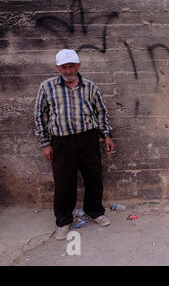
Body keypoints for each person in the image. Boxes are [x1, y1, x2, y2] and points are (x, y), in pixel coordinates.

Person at [34, 49, 114, 240]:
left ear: (78, 66)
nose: (68, 70)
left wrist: (106, 136)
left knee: (94, 177)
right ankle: (63, 221)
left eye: (71, 66)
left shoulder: (91, 87)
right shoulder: (47, 87)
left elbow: (101, 112)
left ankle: (95, 211)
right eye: (64, 67)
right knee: (64, 183)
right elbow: (39, 116)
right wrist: (46, 143)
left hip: (88, 139)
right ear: (58, 67)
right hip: (62, 142)